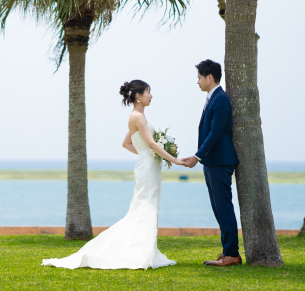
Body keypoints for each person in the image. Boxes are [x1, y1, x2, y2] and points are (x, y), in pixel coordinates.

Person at [42, 79, 182, 269]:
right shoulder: (137, 117)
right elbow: (150, 143)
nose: (151, 95)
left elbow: (127, 143)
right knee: (145, 206)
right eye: (149, 92)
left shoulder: (139, 117)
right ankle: (138, 252)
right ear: (139, 96)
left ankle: (145, 250)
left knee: (148, 205)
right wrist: (174, 160)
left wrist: (148, 154)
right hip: (147, 168)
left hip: (148, 165)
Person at [182, 59, 242, 266]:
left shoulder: (221, 99)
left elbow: (216, 133)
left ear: (209, 77)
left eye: (199, 77)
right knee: (218, 208)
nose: (197, 81)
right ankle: (227, 251)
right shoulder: (212, 98)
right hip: (212, 161)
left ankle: (232, 254)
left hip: (220, 161)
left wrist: (197, 156)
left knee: (223, 207)